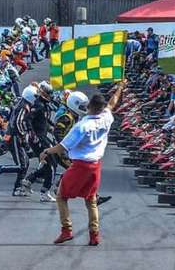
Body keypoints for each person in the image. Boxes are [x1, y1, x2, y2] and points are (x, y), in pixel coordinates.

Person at [41, 81, 126, 246]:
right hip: (96, 166)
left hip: (80, 165)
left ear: (89, 107)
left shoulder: (82, 126)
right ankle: (94, 235)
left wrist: (46, 151)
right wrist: (121, 88)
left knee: (61, 196)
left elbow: (62, 147)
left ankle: (67, 230)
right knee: (91, 200)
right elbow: (112, 104)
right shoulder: (106, 118)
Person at [0, 85, 38, 196]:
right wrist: (23, 136)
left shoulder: (23, 104)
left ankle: (18, 188)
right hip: (15, 137)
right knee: (21, 165)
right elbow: (18, 123)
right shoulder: (24, 107)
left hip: (12, 135)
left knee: (25, 163)